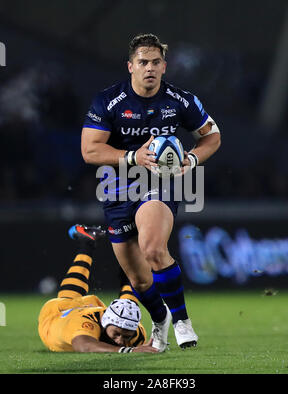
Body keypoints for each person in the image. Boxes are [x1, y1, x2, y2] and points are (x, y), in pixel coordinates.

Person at [81, 33, 221, 351]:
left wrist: (192, 158)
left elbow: (212, 137)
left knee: (154, 249)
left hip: (158, 182)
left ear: (164, 66)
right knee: (140, 280)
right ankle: (160, 322)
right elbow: (89, 151)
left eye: (156, 62)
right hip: (116, 188)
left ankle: (182, 321)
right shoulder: (109, 101)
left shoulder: (181, 101)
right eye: (143, 62)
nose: (150, 68)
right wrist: (132, 157)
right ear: (131, 66)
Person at [38, 224, 158, 354]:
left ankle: (126, 265)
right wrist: (127, 350)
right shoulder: (83, 324)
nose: (120, 341)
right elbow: (84, 346)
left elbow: (128, 315)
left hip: (91, 308)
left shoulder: (136, 334)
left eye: (126, 336)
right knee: (67, 299)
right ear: (105, 322)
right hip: (57, 314)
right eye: (116, 333)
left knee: (129, 306)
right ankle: (87, 244)